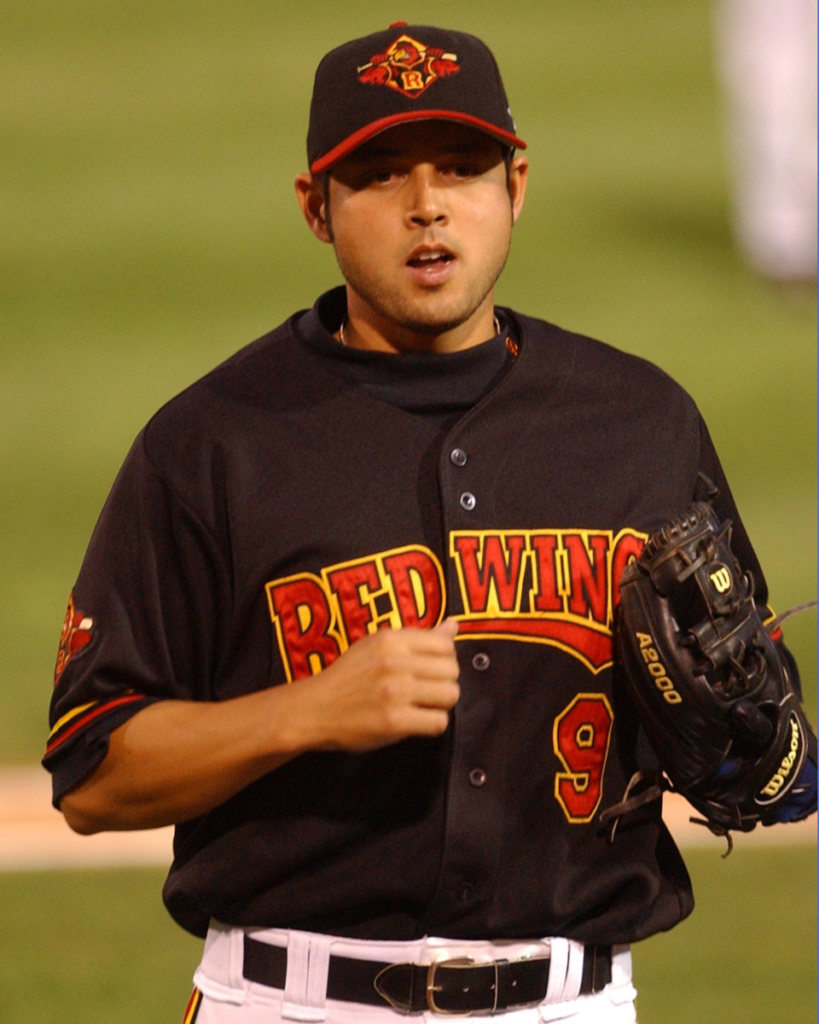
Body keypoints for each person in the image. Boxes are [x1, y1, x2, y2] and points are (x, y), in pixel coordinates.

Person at [43, 23, 815, 1024]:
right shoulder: (212, 443)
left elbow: (756, 737)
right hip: (294, 1003)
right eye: (378, 175)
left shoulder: (642, 423)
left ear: (517, 184)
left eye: (462, 167)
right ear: (315, 208)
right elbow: (93, 772)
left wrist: (746, 748)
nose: (427, 205)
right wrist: (308, 709)